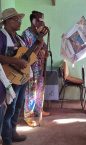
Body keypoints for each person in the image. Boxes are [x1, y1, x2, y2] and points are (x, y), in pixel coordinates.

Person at [0, 8, 29, 145]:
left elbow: (27, 55)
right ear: (7, 21)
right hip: (8, 79)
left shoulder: (20, 39)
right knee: (9, 110)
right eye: (16, 20)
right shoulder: (1, 36)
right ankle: (7, 140)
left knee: (17, 107)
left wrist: (40, 50)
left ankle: (13, 133)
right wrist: (16, 61)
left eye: (20, 20)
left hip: (21, 79)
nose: (19, 22)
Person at [22, 11, 50, 127]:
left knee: (39, 90)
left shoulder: (41, 35)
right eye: (39, 20)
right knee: (30, 92)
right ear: (33, 21)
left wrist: (45, 52)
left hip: (40, 68)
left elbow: (44, 50)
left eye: (43, 21)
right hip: (31, 69)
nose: (42, 23)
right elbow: (28, 55)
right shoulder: (26, 34)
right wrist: (39, 46)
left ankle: (39, 110)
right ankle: (28, 116)